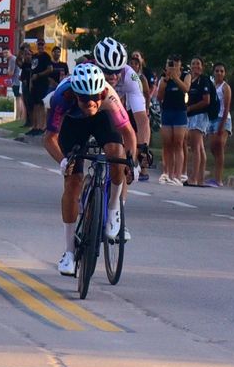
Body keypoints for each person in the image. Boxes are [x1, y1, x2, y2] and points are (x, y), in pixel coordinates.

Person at [41, 62, 137, 277]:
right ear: (75, 94)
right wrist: (63, 162)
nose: (91, 102)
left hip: (103, 120)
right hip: (73, 123)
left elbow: (128, 132)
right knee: (73, 181)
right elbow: (49, 139)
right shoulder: (62, 97)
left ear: (101, 92)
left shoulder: (108, 96)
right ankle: (69, 252)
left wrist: (132, 161)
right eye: (85, 99)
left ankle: (113, 211)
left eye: (95, 97)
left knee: (116, 153)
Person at [92, 37, 151, 183]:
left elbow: (142, 119)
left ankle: (116, 205)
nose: (112, 76)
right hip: (92, 110)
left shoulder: (130, 76)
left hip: (116, 111)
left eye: (116, 71)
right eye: (107, 71)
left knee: (122, 161)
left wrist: (141, 150)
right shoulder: (89, 71)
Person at [153, 56, 189, 185]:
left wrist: (176, 77)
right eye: (170, 64)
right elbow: (159, 97)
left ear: (180, 65)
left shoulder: (185, 75)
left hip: (180, 111)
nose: (172, 67)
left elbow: (186, 89)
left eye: (175, 64)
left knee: (178, 143)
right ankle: (166, 172)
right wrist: (166, 81)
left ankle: (178, 175)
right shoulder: (164, 78)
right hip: (167, 111)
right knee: (167, 143)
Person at [184, 55, 215, 186]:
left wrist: (191, 107)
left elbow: (206, 100)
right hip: (191, 115)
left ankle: (193, 178)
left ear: (202, 67)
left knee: (195, 147)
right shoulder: (190, 80)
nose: (195, 66)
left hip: (200, 115)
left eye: (198, 64)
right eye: (193, 63)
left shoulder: (204, 80)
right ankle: (200, 178)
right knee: (200, 148)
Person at [207, 62, 233, 187]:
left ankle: (219, 179)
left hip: (223, 119)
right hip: (212, 119)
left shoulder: (225, 87)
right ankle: (214, 175)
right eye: (217, 71)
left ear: (224, 73)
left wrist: (222, 125)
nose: (219, 73)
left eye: (221, 71)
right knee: (213, 147)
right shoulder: (212, 86)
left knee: (219, 146)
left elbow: (227, 107)